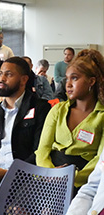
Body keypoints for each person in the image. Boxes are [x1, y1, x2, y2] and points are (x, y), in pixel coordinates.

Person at [0, 57, 51, 215]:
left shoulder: (40, 109)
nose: (2, 79)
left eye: (8, 74)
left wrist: (9, 172)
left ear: (24, 79)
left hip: (25, 177)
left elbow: (39, 152)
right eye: (0, 74)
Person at [35, 49, 104, 193]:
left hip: (84, 180)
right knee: (16, 207)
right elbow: (42, 150)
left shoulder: (101, 116)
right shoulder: (58, 110)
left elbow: (100, 159)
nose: (68, 84)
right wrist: (51, 173)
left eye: (75, 78)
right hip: (50, 174)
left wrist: (73, 178)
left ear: (91, 81)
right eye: (67, 78)